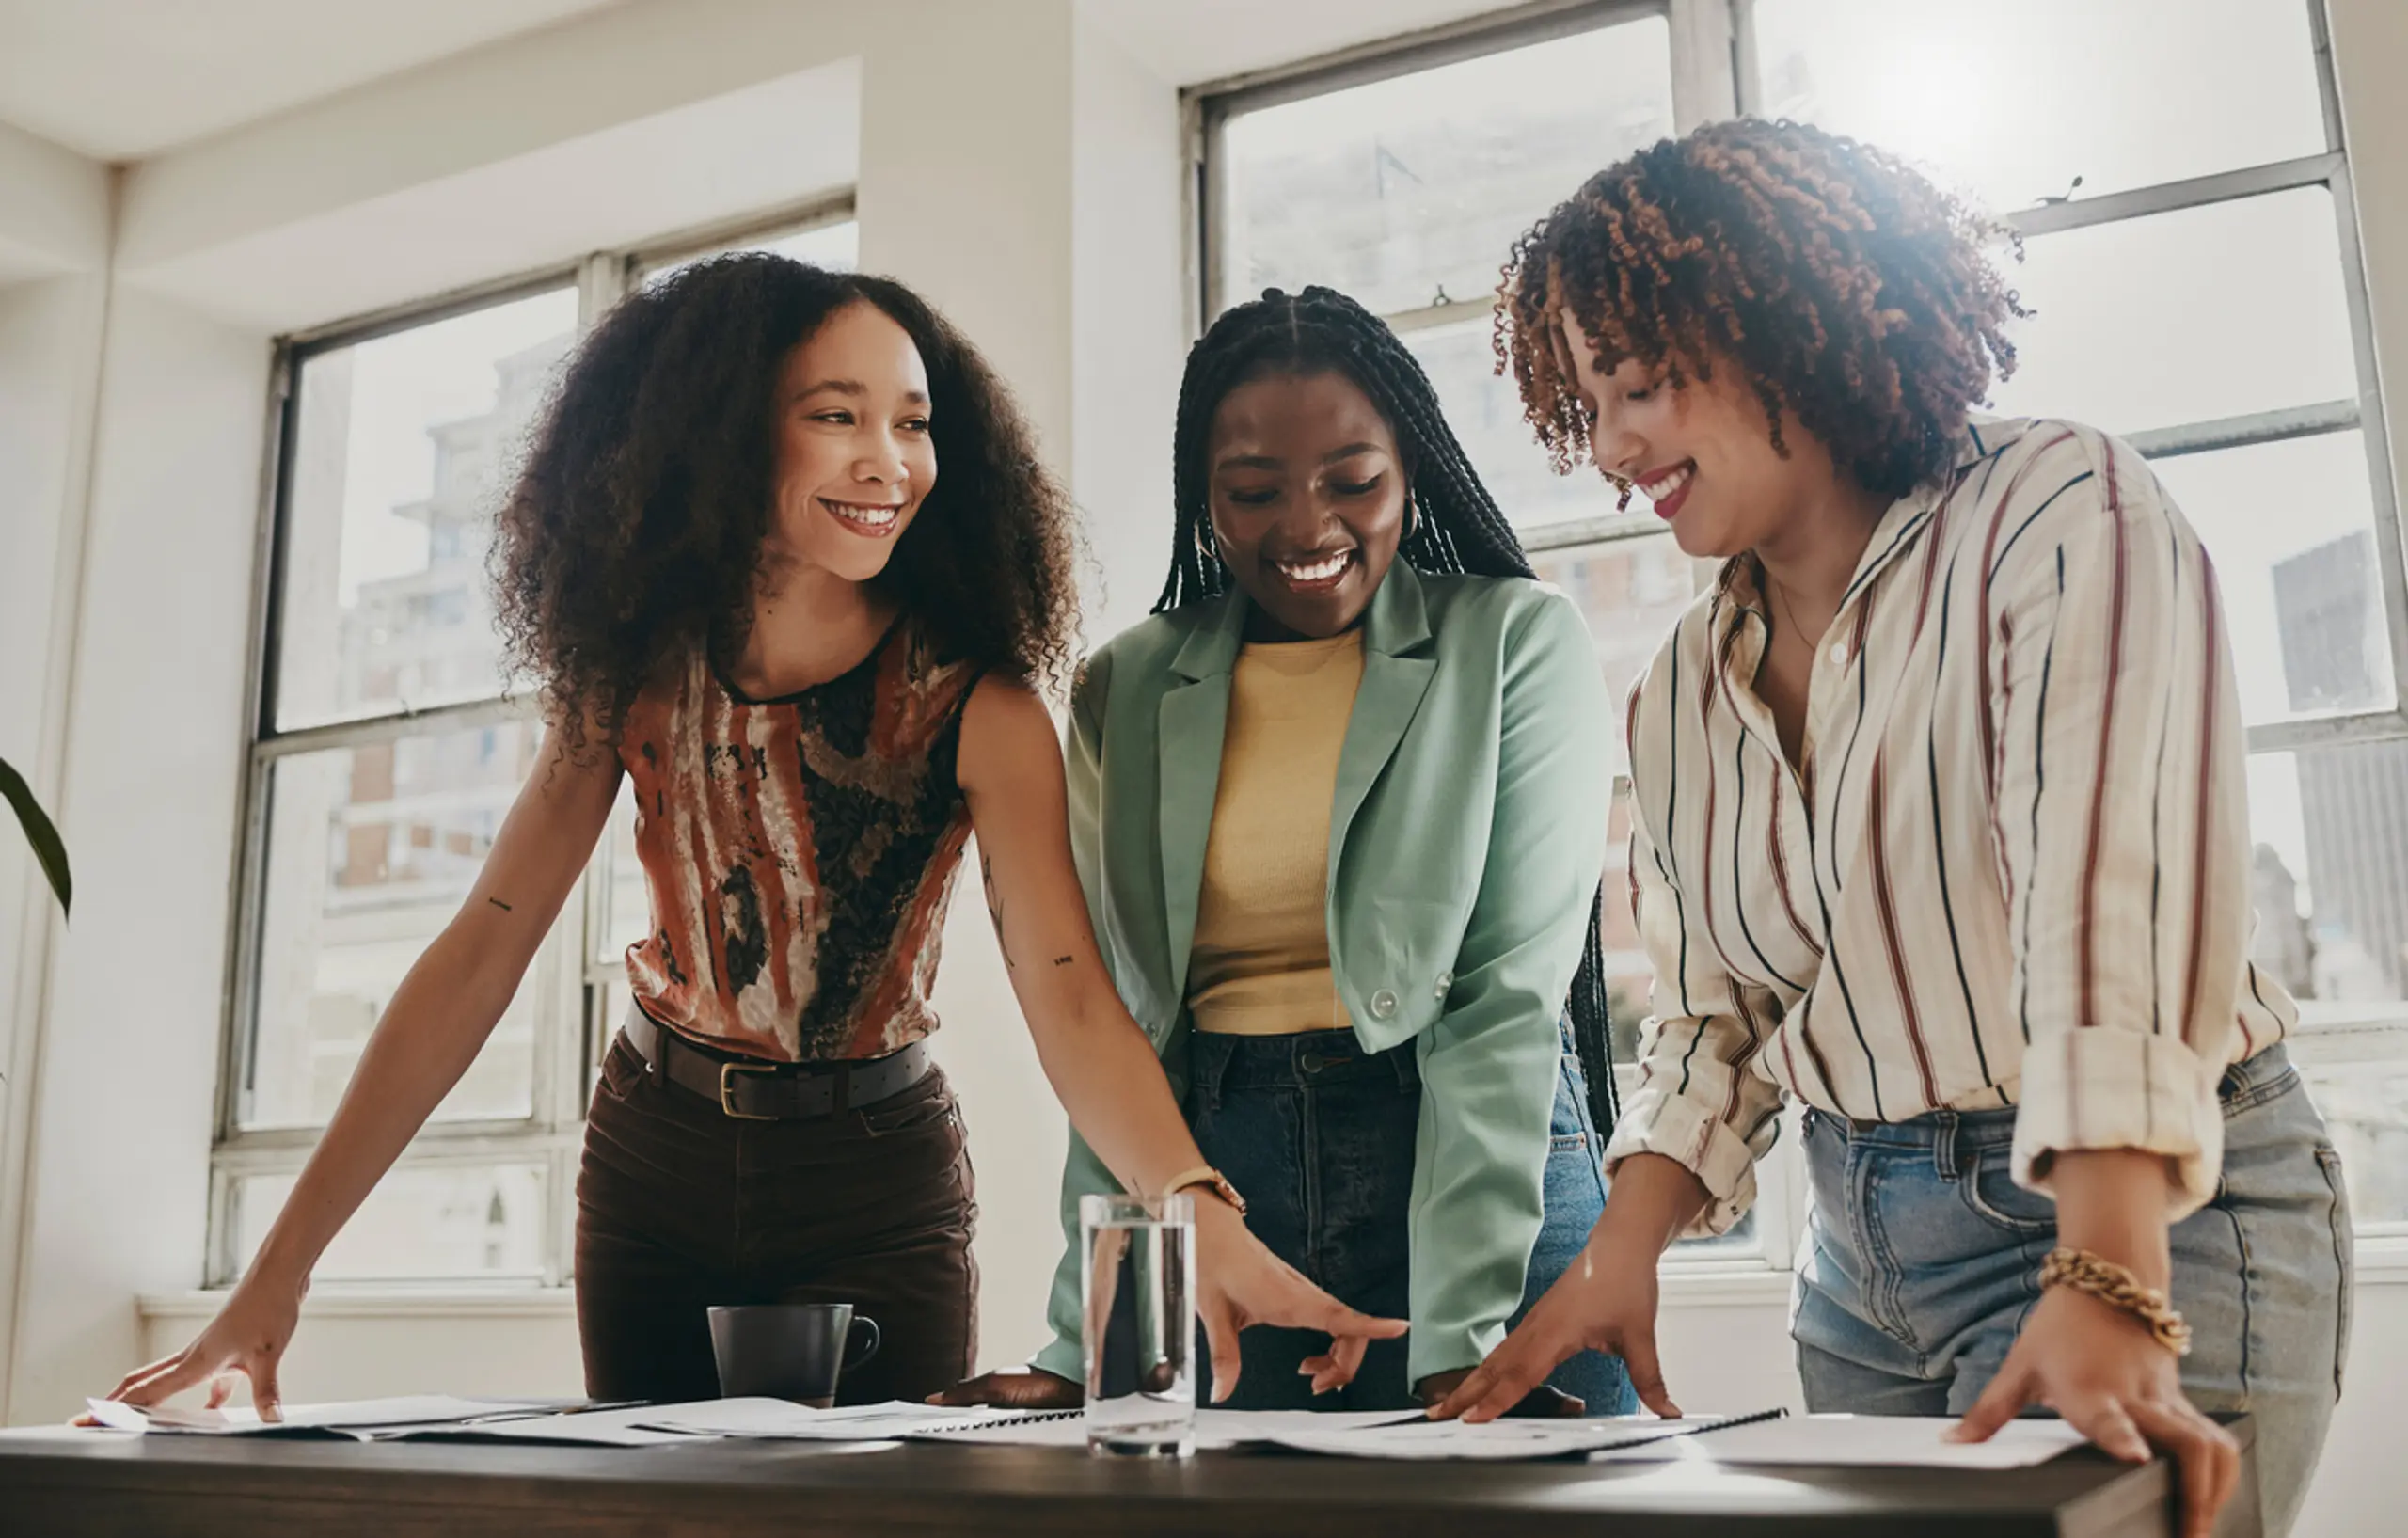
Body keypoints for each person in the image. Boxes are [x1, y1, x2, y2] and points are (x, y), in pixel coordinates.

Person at [103, 256, 1400, 1416]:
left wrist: (1195, 1206)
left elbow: (1067, 993)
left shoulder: (982, 704)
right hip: (653, 1159)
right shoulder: (633, 676)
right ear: (722, 434)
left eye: (913, 420)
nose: (888, 457)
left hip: (875, 1177)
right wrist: (273, 1281)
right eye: (836, 415)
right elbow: (478, 956)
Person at [1432, 120, 2353, 1538]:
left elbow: (2113, 907)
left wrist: (2108, 1273)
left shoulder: (2058, 507)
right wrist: (1623, 1254)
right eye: (1588, 403)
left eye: (1643, 386)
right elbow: (1714, 1021)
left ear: (1785, 324)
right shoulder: (1678, 688)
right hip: (1857, 1267)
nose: (1613, 445)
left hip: (2144, 1215)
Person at [938, 286, 1635, 1416]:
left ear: (1410, 469)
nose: (1307, 528)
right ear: (1201, 499)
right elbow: (1121, 1028)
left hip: (1474, 1173)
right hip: (1225, 1189)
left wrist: (1456, 1332)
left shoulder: (1512, 640)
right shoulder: (1131, 683)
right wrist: (1086, 1340)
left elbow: (1504, 1001)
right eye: (1253, 492)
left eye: (1352, 483)